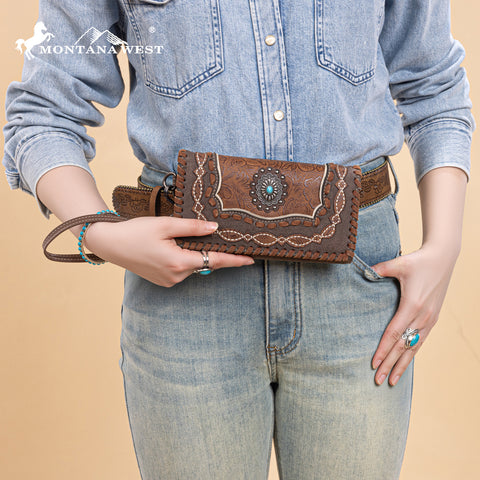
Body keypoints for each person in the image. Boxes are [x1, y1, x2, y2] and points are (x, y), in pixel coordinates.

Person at [2, 1, 474, 479]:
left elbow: (433, 86)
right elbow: (42, 113)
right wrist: (100, 232)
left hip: (356, 284)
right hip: (185, 297)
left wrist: (444, 247)